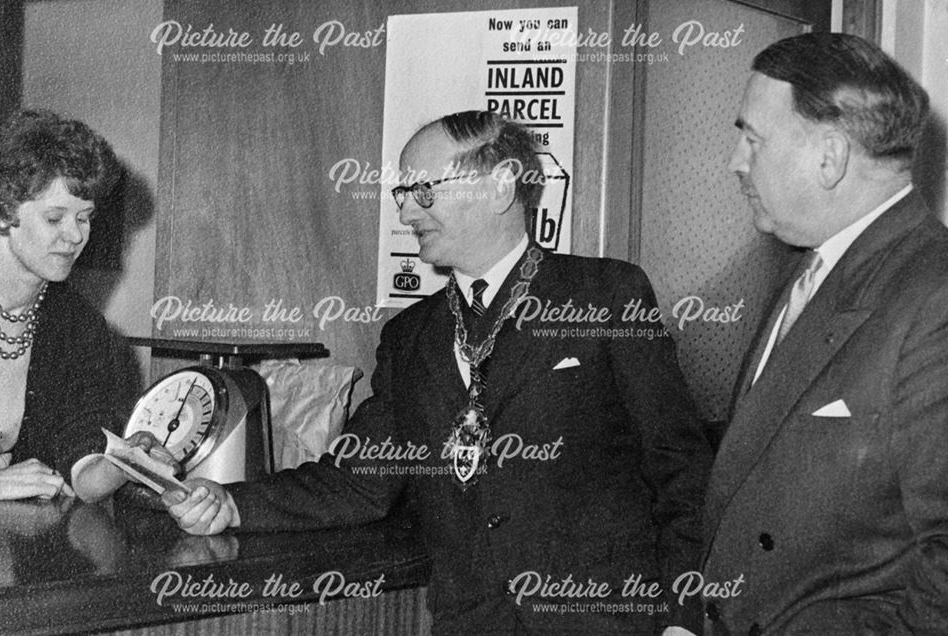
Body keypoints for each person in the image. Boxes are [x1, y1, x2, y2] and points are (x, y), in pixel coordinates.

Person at [165, 110, 712, 634]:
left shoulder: (607, 295)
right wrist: (232, 503)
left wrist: (681, 621)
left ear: (500, 187)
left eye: (424, 192)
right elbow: (358, 481)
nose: (406, 215)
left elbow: (681, 471)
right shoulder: (410, 336)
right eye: (403, 195)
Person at [703, 32, 948, 634]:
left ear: (830, 155)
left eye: (753, 139)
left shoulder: (935, 294)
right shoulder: (804, 267)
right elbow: (741, 492)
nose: (736, 161)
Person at [0, 109, 164, 503]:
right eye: (54, 218)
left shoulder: (78, 325)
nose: (75, 235)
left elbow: (80, 470)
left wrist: (125, 462)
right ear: (1, 213)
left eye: (85, 218)